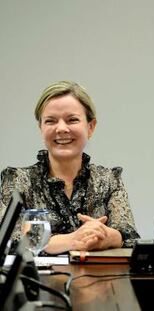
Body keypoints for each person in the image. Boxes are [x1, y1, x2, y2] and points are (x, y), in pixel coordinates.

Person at [0, 81, 140, 254]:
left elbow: (130, 238)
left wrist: (105, 236)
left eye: (72, 120)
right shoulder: (17, 180)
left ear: (90, 127)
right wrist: (72, 240)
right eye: (50, 121)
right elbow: (7, 243)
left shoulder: (109, 180)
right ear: (41, 128)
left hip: (99, 280)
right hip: (37, 281)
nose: (61, 129)